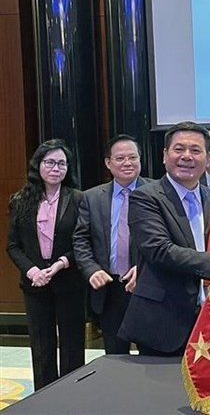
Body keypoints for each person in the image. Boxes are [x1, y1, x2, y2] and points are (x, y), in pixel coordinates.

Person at [118, 122, 210, 356]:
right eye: (179, 149)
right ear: (165, 156)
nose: (187, 156)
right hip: (164, 320)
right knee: (164, 392)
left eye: (196, 150)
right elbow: (160, 250)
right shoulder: (145, 198)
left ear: (207, 159)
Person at [6, 139, 85, 390]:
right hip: (35, 284)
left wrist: (61, 263)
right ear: (38, 165)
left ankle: (72, 396)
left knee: (72, 344)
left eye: (62, 163)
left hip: (69, 282)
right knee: (42, 346)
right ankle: (44, 397)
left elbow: (84, 242)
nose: (55, 168)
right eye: (49, 162)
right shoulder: (21, 199)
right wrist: (32, 271)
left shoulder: (79, 199)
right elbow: (13, 245)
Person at [73, 135, 152, 354]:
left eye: (132, 157)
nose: (127, 163)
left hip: (149, 287)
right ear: (108, 163)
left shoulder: (158, 192)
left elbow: (168, 239)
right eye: (120, 158)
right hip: (110, 289)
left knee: (152, 357)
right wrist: (91, 269)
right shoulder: (92, 198)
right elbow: (81, 240)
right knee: (115, 357)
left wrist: (146, 269)